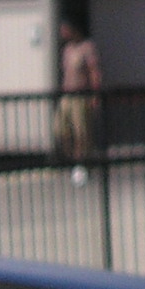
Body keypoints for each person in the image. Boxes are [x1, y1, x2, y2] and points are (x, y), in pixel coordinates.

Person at [55, 19, 104, 183]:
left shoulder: (87, 48)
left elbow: (94, 71)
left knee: (81, 132)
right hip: (67, 95)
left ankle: (82, 164)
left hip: (81, 96)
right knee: (61, 129)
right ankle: (72, 158)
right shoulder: (67, 50)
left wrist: (95, 94)